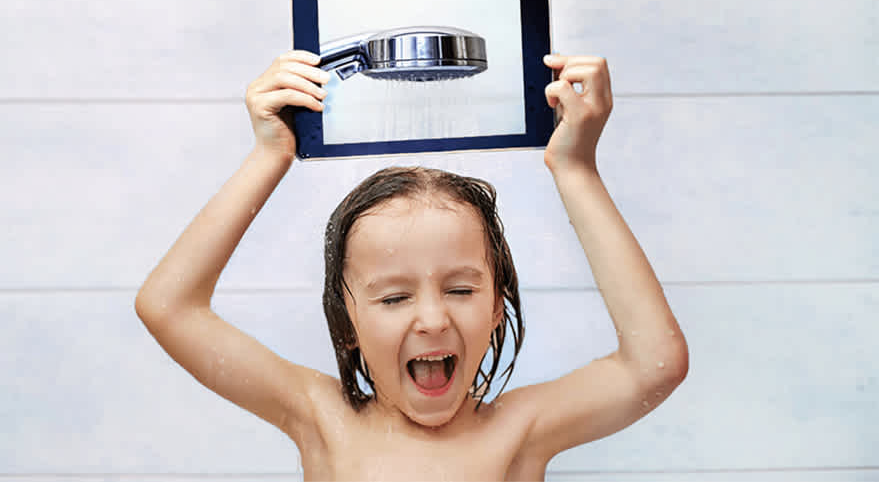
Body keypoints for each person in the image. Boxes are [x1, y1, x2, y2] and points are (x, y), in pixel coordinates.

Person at [136, 50, 688, 481]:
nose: (431, 319)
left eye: (461, 290)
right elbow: (168, 307)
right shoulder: (320, 418)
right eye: (394, 297)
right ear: (347, 323)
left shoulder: (520, 431)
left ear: (499, 305)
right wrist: (268, 156)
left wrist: (576, 170)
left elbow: (654, 365)